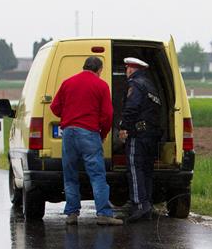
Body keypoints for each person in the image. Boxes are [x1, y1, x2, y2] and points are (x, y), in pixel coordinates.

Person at [51, 56, 123, 226]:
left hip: (68, 133)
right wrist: (103, 133)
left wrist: (69, 115)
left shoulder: (67, 83)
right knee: (97, 175)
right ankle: (104, 214)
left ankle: (71, 214)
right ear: (99, 69)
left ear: (84, 67)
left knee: (70, 175)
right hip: (89, 133)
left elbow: (54, 107)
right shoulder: (101, 85)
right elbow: (108, 115)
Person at [118, 57, 163, 221]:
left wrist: (123, 126)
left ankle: (139, 205)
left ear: (130, 69)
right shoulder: (151, 86)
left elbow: (132, 107)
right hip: (152, 134)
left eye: (126, 69)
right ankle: (147, 204)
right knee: (147, 170)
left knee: (135, 169)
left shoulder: (135, 84)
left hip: (138, 134)